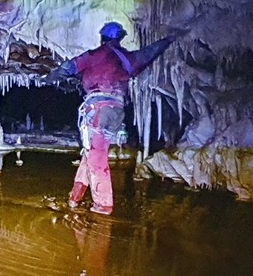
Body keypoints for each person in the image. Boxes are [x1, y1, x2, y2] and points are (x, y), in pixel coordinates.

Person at [43, 22, 177, 215]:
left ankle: (103, 206)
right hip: (117, 111)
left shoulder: (96, 55)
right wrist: (168, 40)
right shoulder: (128, 59)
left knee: (97, 159)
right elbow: (149, 53)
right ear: (119, 38)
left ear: (103, 38)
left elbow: (69, 67)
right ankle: (75, 198)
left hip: (98, 108)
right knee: (91, 153)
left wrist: (50, 77)